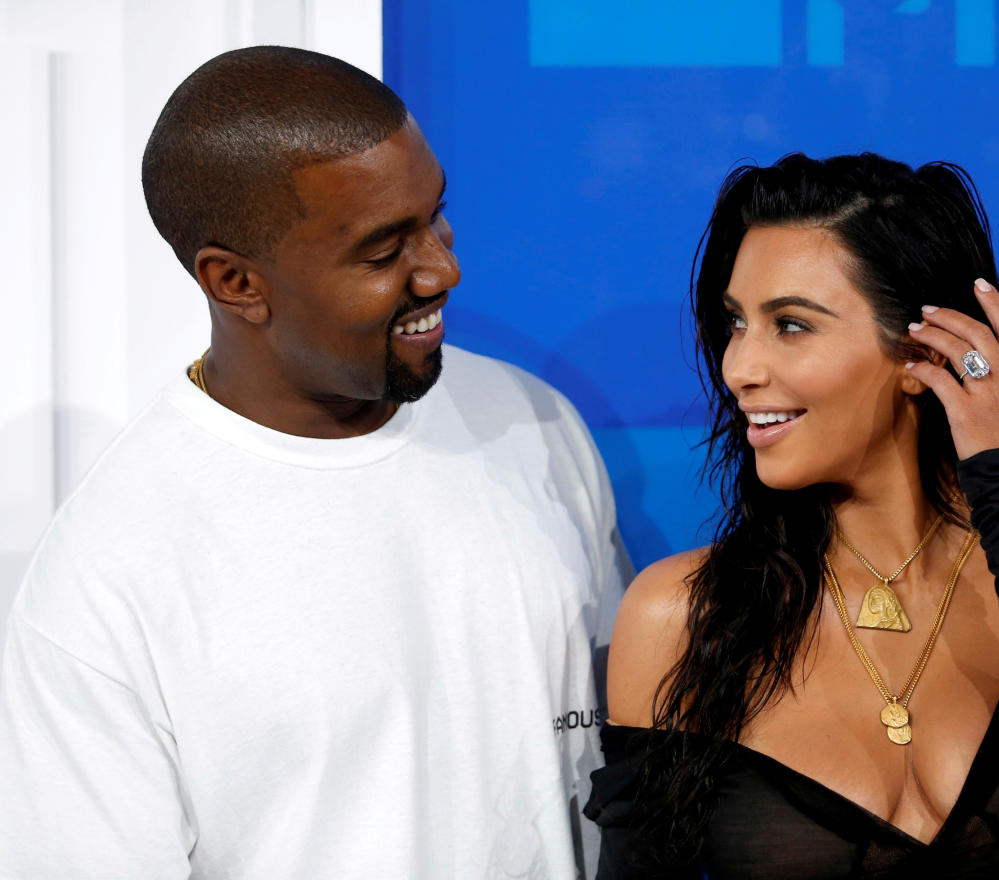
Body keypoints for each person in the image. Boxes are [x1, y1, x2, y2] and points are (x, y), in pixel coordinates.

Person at [0, 46, 628, 878]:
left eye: (435, 217)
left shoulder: (533, 421)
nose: (444, 267)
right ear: (235, 282)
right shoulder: (108, 577)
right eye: (382, 251)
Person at [585, 153, 999, 877]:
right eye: (736, 322)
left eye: (791, 325)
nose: (739, 366)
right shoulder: (682, 616)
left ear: (920, 351)